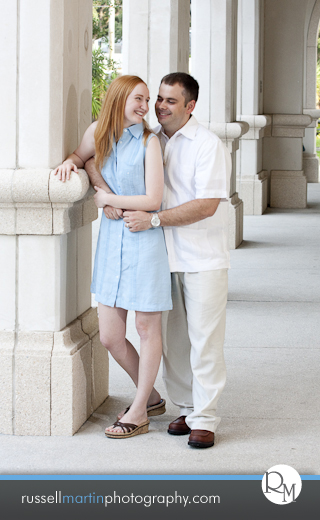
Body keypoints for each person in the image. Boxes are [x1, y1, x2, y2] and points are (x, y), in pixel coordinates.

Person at [86, 72, 231, 449]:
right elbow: (93, 157)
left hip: (201, 257)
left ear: (190, 106)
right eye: (158, 99)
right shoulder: (152, 137)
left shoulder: (206, 144)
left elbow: (206, 205)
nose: (159, 106)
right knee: (174, 343)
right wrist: (100, 186)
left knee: (205, 342)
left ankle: (206, 417)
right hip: (163, 255)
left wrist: (152, 219)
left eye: (169, 101)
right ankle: (183, 408)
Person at [54, 75, 172, 439]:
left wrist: (107, 199)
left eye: (147, 99)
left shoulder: (150, 142)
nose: (144, 106)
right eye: (138, 98)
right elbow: (80, 155)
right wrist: (73, 166)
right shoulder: (99, 133)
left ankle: (138, 412)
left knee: (146, 328)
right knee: (109, 335)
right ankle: (149, 395)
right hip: (112, 244)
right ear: (119, 99)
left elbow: (154, 199)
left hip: (145, 240)